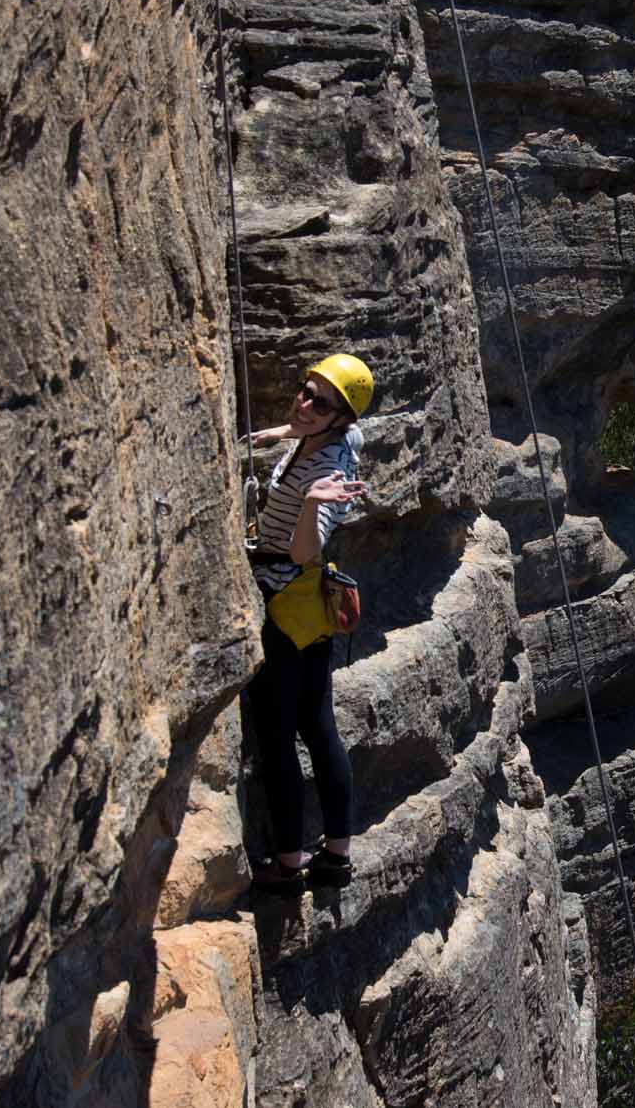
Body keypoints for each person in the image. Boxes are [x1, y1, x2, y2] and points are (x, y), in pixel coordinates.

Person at [243, 354, 373, 893]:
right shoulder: (328, 438)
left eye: (319, 402)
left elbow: (302, 548)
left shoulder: (328, 472)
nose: (303, 403)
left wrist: (309, 503)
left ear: (338, 417)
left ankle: (291, 864)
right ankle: (337, 857)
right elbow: (350, 434)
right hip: (308, 605)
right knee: (318, 725)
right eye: (305, 390)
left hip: (287, 605)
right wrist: (284, 430)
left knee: (279, 737)